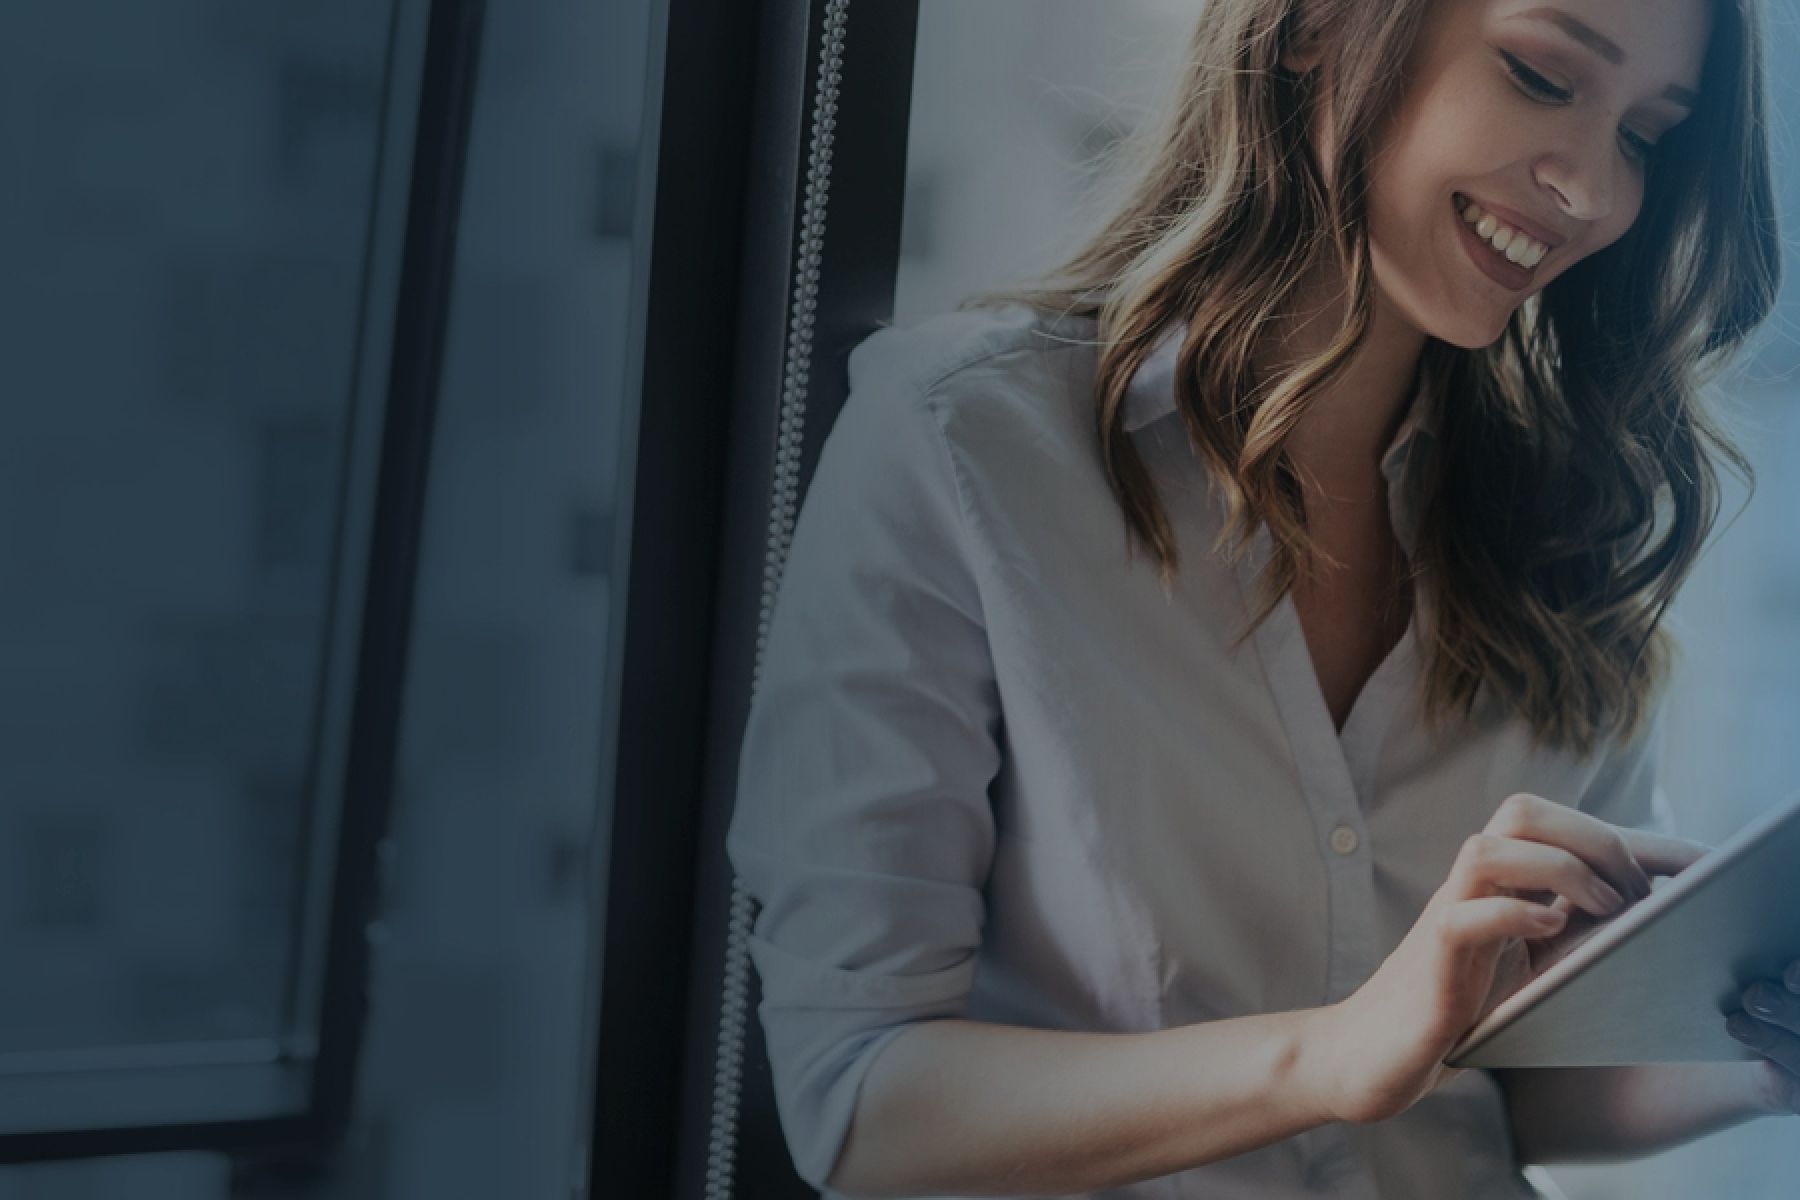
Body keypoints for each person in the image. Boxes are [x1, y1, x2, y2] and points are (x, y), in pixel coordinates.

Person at [726, 0, 1799, 1195]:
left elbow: (1510, 1076)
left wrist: (1763, 1049)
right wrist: (1334, 1053)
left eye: (1647, 137)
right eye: (1541, 76)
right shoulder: (960, 447)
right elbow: (858, 1100)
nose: (1593, 191)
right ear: (1315, 27)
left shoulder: (1569, 535)